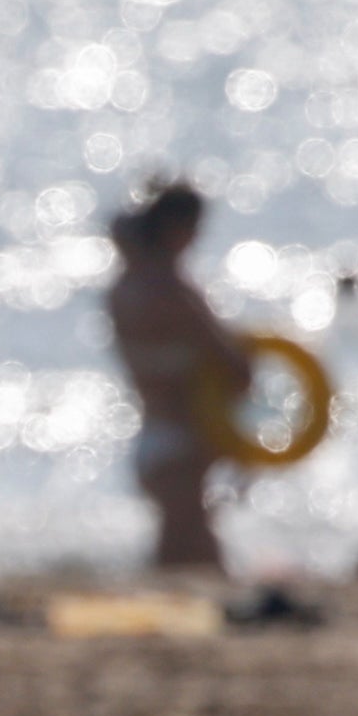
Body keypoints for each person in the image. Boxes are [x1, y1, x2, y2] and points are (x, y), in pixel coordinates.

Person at [107, 181, 251, 575]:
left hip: (151, 434)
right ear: (178, 227)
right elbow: (236, 367)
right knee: (194, 559)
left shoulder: (125, 286)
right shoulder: (174, 292)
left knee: (177, 553)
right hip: (181, 442)